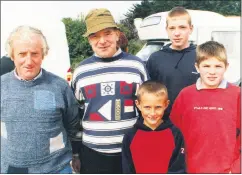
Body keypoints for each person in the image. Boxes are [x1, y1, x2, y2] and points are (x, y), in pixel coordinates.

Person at [71, 8, 149, 174]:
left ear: (117, 34)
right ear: (89, 40)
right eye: (95, 36)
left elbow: (148, 108)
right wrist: (76, 153)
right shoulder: (81, 71)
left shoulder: (137, 66)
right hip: (93, 156)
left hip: (132, 152)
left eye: (107, 33)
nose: (102, 41)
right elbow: (75, 115)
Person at [1, 25, 81, 174]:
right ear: (12, 56)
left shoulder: (60, 86)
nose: (29, 61)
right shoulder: (1, 86)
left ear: (43, 55)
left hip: (56, 168)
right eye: (22, 54)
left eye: (35, 54)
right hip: (11, 169)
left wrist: (75, 154)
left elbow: (72, 124)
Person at [170, 41, 241, 173]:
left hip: (227, 171)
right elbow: (174, 135)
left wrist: (236, 169)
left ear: (226, 67)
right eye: (206, 66)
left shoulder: (237, 94)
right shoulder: (185, 95)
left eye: (218, 66)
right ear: (197, 67)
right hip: (190, 169)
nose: (212, 72)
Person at [146, 6, 199, 120]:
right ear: (167, 29)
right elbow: (148, 94)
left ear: (191, 28)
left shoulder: (201, 56)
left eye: (182, 27)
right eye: (172, 28)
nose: (177, 33)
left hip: (194, 121)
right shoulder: (155, 58)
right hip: (164, 122)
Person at [122, 80, 186, 174]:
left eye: (158, 107)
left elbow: (178, 168)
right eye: (147, 107)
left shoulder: (175, 134)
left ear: (166, 105)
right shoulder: (130, 136)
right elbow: (128, 168)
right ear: (138, 105)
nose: (152, 113)